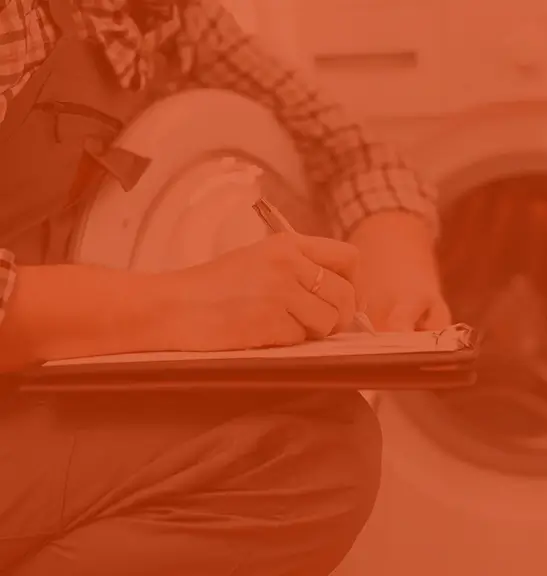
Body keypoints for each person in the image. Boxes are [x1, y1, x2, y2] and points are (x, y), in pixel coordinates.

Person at [0, 0, 451, 574]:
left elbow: (351, 152)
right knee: (298, 462)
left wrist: (395, 271)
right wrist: (188, 304)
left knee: (317, 444)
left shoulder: (166, 16)